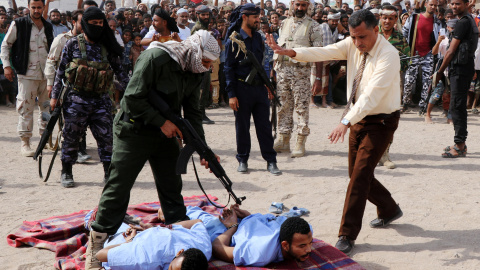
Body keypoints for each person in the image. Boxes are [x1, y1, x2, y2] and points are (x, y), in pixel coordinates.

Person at [267, 9, 403, 255]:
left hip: (380, 121)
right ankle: (390, 209)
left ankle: (347, 235)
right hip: (357, 118)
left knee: (359, 177)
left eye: (362, 37)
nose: (357, 42)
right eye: (353, 37)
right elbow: (325, 51)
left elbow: (372, 96)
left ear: (376, 30)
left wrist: (346, 121)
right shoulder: (352, 45)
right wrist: (291, 52)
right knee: (357, 172)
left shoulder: (389, 55)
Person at [84, 30, 220, 270]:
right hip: (133, 129)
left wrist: (203, 149)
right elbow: (132, 98)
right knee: (118, 186)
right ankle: (97, 244)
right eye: (206, 61)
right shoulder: (155, 58)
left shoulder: (195, 70)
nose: (207, 67)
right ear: (195, 51)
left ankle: (180, 238)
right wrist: (162, 122)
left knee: (172, 185)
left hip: (164, 135)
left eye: (210, 63)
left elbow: (193, 114)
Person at [50, 7, 129, 188]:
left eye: (101, 24)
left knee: (107, 138)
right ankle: (67, 171)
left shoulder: (108, 46)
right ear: (85, 24)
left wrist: (136, 92)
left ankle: (109, 173)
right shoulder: (72, 44)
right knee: (71, 136)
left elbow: (121, 74)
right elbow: (60, 72)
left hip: (101, 100)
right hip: (76, 99)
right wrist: (55, 97)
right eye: (94, 24)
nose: (98, 27)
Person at [224, 4, 281, 175]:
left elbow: (263, 63)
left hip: (259, 90)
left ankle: (271, 160)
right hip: (241, 89)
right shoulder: (233, 40)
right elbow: (228, 69)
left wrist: (268, 85)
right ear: (244, 17)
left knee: (264, 126)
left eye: (258, 16)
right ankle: (243, 159)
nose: (258, 20)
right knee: (242, 127)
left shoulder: (258, 38)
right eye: (255, 17)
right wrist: (232, 95)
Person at [1, 0, 54, 157]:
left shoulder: (48, 26)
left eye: (39, 7)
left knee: (46, 107)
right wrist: (7, 66)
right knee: (26, 107)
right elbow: (5, 45)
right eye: (33, 7)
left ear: (43, 7)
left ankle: (45, 140)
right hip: (26, 74)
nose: (36, 10)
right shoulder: (19, 24)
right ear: (28, 7)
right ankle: (25, 142)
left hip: (46, 75)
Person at [272, 0, 322, 158]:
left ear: (308, 7)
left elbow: (319, 53)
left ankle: (300, 141)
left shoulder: (313, 26)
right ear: (292, 5)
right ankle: (283, 139)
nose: (300, 8)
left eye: (303, 5)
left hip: (301, 74)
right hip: (282, 73)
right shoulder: (284, 23)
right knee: (283, 107)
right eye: (297, 5)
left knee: (301, 108)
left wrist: (319, 78)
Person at [44, 9, 92, 162]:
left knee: (82, 118)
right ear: (73, 22)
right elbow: (51, 62)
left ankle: (81, 150)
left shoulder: (90, 40)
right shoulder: (62, 39)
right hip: (65, 86)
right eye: (81, 22)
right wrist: (51, 85)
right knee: (70, 120)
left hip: (83, 87)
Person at [433, 0, 478, 158]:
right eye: (452, 4)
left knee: (457, 107)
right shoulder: (469, 20)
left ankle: (460, 145)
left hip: (460, 69)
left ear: (466, 4)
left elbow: (451, 51)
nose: (454, 7)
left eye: (458, 3)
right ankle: (460, 143)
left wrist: (439, 71)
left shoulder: (463, 23)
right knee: (457, 106)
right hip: (463, 68)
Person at [212, 205, 313, 266]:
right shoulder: (260, 253)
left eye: (310, 243)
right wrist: (233, 227)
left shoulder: (307, 229)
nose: (309, 250)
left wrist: (249, 217)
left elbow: (271, 220)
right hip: (223, 228)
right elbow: (217, 247)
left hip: (248, 221)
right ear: (285, 245)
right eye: (302, 246)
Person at [96, 219, 210, 270]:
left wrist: (164, 228)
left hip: (150, 233)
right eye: (171, 269)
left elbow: (197, 222)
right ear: (179, 252)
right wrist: (130, 241)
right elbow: (100, 254)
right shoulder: (143, 260)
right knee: (98, 219)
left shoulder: (203, 250)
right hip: (123, 237)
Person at [378, 5, 411, 169]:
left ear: (395, 20)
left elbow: (407, 60)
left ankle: (384, 154)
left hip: (392, 83)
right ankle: (369, 153)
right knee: (368, 117)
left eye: (391, 18)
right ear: (380, 17)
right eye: (384, 17)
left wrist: (394, 67)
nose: (387, 21)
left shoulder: (400, 38)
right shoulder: (371, 35)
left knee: (389, 118)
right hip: (371, 83)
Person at [401, 0, 441, 115]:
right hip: (413, 53)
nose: (433, 7)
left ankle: (423, 106)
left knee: (427, 82)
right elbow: (404, 33)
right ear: (426, 5)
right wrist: (406, 51)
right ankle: (405, 103)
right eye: (431, 4)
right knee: (409, 80)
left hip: (428, 54)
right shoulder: (414, 18)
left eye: (435, 5)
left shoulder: (437, 22)